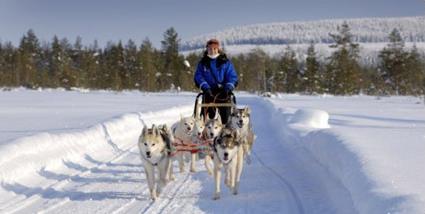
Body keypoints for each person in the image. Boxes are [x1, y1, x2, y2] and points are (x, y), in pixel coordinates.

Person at [194, 39, 238, 124]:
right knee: (206, 118)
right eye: (210, 49)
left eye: (214, 48)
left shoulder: (225, 62)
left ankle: (226, 132)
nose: (212, 51)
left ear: (218, 49)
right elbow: (198, 76)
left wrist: (228, 88)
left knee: (226, 117)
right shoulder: (202, 63)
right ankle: (205, 133)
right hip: (208, 92)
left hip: (223, 92)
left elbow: (232, 76)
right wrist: (206, 88)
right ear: (207, 49)